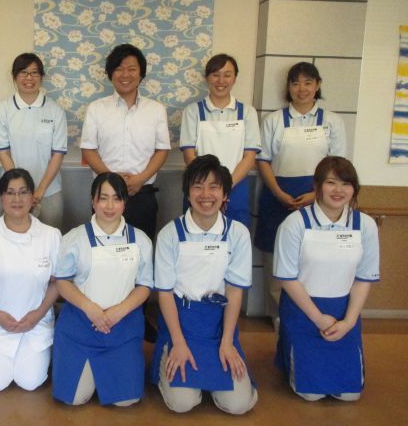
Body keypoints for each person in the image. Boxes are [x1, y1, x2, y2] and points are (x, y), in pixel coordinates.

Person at [151, 155, 257, 415]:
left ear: (225, 194)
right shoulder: (170, 234)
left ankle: (215, 373)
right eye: (198, 187)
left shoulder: (238, 233)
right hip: (181, 324)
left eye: (214, 187)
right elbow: (164, 293)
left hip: (218, 326)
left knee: (238, 405)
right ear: (188, 193)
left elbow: (235, 291)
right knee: (182, 403)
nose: (206, 195)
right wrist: (178, 342)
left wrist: (228, 341)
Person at [273, 156, 379, 401]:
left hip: (343, 314)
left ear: (354, 189)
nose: (338, 190)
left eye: (346, 184)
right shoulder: (295, 223)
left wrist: (349, 322)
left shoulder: (364, 225)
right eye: (331, 182)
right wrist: (319, 318)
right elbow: (287, 278)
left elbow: (364, 278)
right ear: (317, 186)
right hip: (303, 311)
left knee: (350, 395)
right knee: (310, 394)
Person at [255, 62, 346, 324]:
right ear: (288, 87)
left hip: (319, 199)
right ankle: (278, 317)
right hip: (278, 197)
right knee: (275, 256)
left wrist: (316, 195)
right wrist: (278, 192)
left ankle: (310, 315)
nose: (301, 89)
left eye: (308, 82)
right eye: (295, 83)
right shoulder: (273, 120)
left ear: (318, 85)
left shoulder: (332, 121)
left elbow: (338, 165)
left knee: (312, 255)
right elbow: (263, 160)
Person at [52, 172, 153, 407]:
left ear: (125, 202)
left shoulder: (140, 240)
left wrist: (118, 311)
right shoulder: (74, 238)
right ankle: (98, 374)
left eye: (116, 198)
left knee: (126, 401)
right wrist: (90, 309)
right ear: (92, 201)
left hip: (123, 326)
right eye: (103, 198)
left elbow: (145, 284)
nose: (109, 206)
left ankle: (106, 374)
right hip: (81, 324)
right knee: (75, 399)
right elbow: (62, 281)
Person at [0, 168, 61, 392]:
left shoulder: (51, 236)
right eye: (10, 193)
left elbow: (57, 281)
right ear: (1, 198)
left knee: (30, 382)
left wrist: (37, 314)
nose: (17, 199)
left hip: (35, 324)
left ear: (32, 197)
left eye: (23, 192)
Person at [81, 43, 171, 241]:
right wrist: (112, 180)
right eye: (119, 69)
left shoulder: (156, 110)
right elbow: (88, 149)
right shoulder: (96, 108)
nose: (125, 75)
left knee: (142, 247)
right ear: (110, 73)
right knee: (103, 247)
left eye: (131, 69)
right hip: (105, 195)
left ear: (141, 74)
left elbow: (162, 150)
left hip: (142, 193)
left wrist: (140, 179)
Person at [179, 53, 261, 228]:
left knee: (236, 235)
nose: (221, 81)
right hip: (200, 190)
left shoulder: (247, 112)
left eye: (227, 75)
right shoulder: (192, 111)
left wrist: (225, 187)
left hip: (235, 188)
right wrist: (209, 188)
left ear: (235, 78)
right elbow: (189, 155)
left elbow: (249, 157)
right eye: (215, 75)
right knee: (195, 235)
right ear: (207, 78)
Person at [0, 53, 67, 229]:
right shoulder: (1, 110)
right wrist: (21, 190)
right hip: (13, 192)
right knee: (11, 239)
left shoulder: (55, 111)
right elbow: (4, 154)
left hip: (49, 191)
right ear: (14, 76)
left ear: (41, 76)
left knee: (52, 239)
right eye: (23, 72)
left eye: (34, 73)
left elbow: (57, 155)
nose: (29, 78)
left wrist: (38, 192)